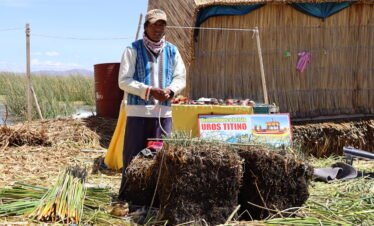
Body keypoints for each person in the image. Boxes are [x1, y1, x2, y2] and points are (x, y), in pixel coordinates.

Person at [117, 9, 186, 200]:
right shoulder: (133, 49)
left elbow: (180, 77)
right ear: (146, 27)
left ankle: (154, 200)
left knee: (158, 157)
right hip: (138, 114)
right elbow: (124, 80)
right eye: (154, 24)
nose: (158, 28)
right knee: (133, 157)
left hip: (163, 115)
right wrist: (148, 91)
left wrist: (170, 90)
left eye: (162, 24)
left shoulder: (172, 50)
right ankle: (128, 198)